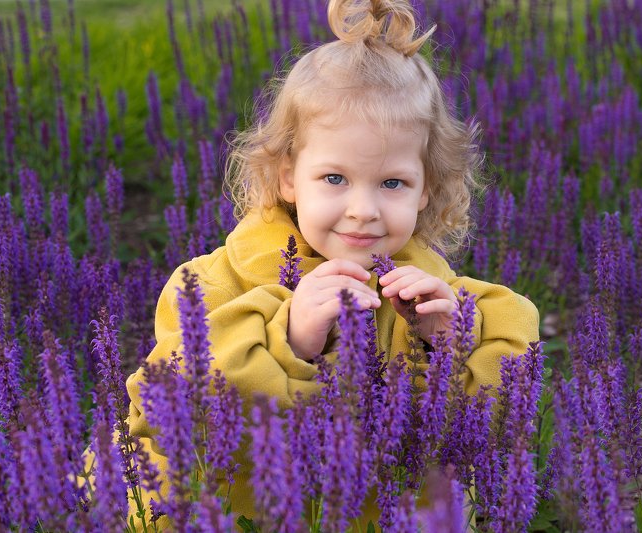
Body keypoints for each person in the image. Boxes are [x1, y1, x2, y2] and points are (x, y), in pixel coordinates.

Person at [120, 0, 539, 528]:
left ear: (426, 189)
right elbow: (174, 406)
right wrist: (286, 339)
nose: (362, 210)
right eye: (334, 178)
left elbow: (487, 429)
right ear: (288, 176)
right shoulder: (210, 284)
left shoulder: (434, 291)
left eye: (392, 183)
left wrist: (447, 344)